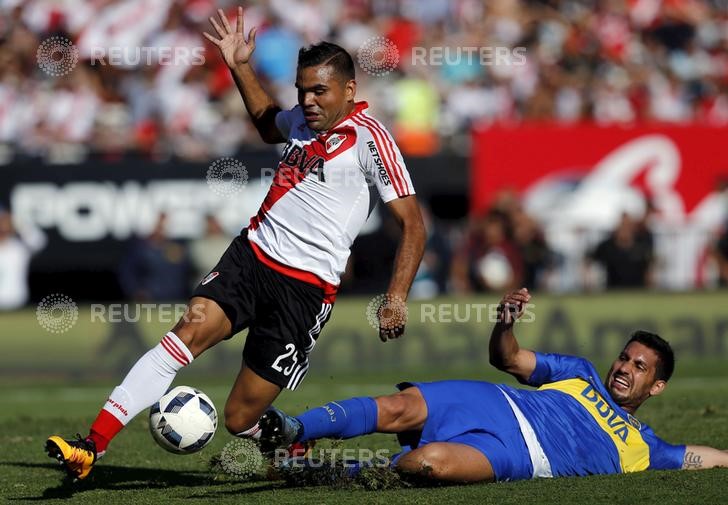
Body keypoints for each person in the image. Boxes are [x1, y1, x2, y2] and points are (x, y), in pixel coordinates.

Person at [46, 6, 425, 481]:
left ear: (350, 91)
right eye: (302, 90)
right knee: (185, 332)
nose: (307, 100)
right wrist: (239, 64)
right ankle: (91, 447)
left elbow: (413, 223)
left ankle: (294, 444)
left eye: (319, 91)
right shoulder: (304, 121)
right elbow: (270, 124)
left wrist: (396, 297)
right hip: (252, 256)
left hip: (305, 291)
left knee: (239, 418)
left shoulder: (372, 140)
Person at [258, 288, 728, 483]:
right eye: (625, 357)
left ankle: (321, 470)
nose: (624, 368)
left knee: (427, 465)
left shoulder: (648, 448)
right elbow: (507, 358)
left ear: (657, 386)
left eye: (640, 367)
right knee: (398, 407)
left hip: (519, 456)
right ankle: (293, 429)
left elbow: (703, 457)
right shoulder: (580, 372)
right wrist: (504, 324)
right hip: (495, 402)